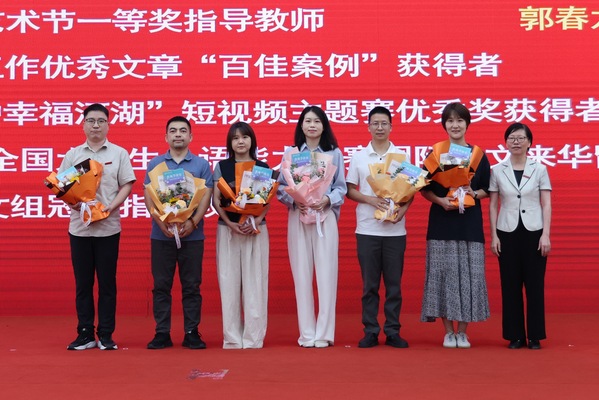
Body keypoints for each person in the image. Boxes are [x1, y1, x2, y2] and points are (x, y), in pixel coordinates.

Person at [61, 103, 136, 350]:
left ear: (108, 125)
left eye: (101, 121)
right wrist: (73, 204)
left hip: (108, 228)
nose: (96, 125)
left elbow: (127, 184)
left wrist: (111, 207)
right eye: (91, 121)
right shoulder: (73, 155)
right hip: (79, 229)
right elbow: (62, 186)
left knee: (107, 284)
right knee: (83, 284)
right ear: (83, 125)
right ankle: (84, 333)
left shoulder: (119, 153)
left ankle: (105, 334)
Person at [420, 102, 490, 348]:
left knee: (469, 276)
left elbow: (488, 188)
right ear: (444, 125)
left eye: (460, 120)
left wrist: (473, 193)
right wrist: (440, 201)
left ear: (467, 124)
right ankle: (448, 332)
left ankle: (463, 332)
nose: (455, 125)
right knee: (443, 276)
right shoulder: (435, 153)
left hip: (469, 224)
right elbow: (423, 187)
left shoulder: (478, 155)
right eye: (450, 121)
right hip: (442, 223)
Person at [277, 105, 347, 348]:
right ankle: (307, 334)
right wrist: (295, 200)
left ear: (324, 126)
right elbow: (280, 187)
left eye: (317, 121)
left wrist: (327, 199)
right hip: (299, 216)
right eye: (307, 121)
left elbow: (341, 188)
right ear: (301, 125)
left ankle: (324, 334)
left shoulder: (334, 153)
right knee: (302, 276)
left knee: (327, 276)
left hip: (324, 218)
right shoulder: (291, 153)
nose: (312, 125)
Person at [346, 106, 413, 349]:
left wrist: (402, 211)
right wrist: (370, 200)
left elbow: (411, 190)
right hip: (367, 230)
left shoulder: (402, 156)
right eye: (375, 123)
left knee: (394, 286)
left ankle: (393, 331)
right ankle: (371, 330)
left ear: (391, 126)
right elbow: (349, 190)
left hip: (395, 231)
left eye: (384, 123)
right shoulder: (359, 157)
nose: (380, 127)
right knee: (370, 286)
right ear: (368, 127)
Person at [144, 116, 213, 350]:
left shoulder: (201, 164)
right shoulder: (155, 164)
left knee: (191, 286)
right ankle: (162, 332)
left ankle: (192, 332)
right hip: (161, 234)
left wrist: (193, 222)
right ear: (166, 137)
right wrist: (160, 221)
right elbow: (149, 196)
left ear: (190, 136)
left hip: (192, 235)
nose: (178, 135)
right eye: (173, 131)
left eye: (183, 131)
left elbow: (206, 196)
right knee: (161, 285)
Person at [489, 123, 552, 350]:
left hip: (534, 232)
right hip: (507, 232)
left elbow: (546, 204)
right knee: (510, 285)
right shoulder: (497, 170)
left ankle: (535, 335)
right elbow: (493, 205)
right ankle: (515, 335)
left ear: (529, 142)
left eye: (520, 138)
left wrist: (546, 234)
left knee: (535, 285)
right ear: (505, 142)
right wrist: (494, 236)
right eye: (511, 138)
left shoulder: (540, 169)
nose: (516, 142)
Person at [212, 122, 270, 349]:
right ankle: (232, 338)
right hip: (228, 231)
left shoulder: (262, 167)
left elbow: (266, 200)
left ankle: (253, 338)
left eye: (245, 137)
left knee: (256, 283)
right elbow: (216, 200)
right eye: (235, 138)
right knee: (229, 284)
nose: (240, 141)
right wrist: (229, 222)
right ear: (230, 143)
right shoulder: (222, 167)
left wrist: (255, 219)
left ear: (252, 140)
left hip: (255, 231)